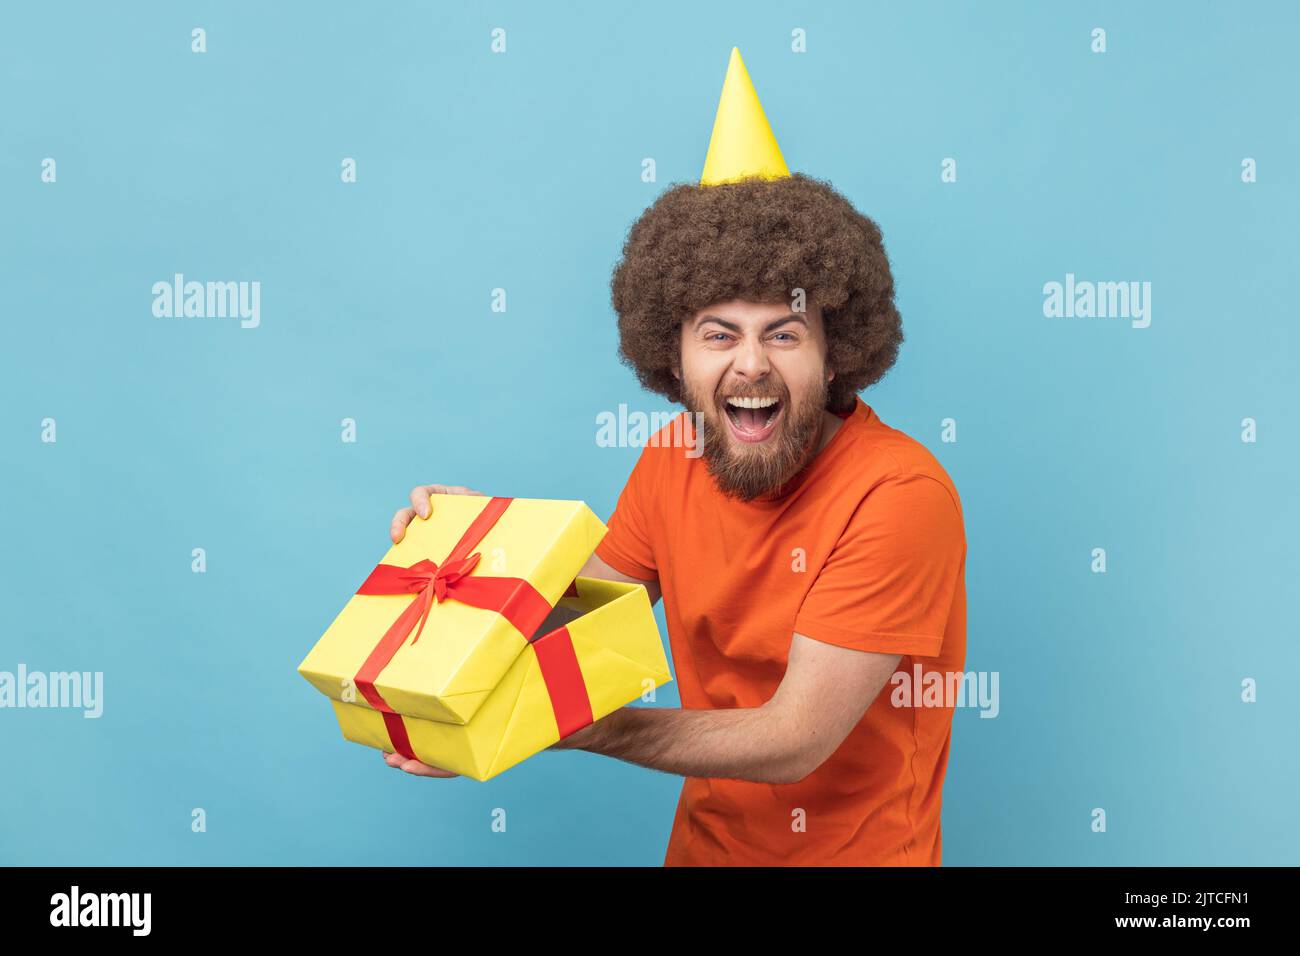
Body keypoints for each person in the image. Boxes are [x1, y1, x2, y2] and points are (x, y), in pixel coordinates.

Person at [385, 49, 967, 866]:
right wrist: (472, 560)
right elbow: (569, 616)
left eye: (784, 333)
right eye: (719, 334)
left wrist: (581, 727)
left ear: (836, 354)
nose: (752, 365)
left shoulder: (900, 495)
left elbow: (795, 738)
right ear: (675, 356)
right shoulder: (671, 459)